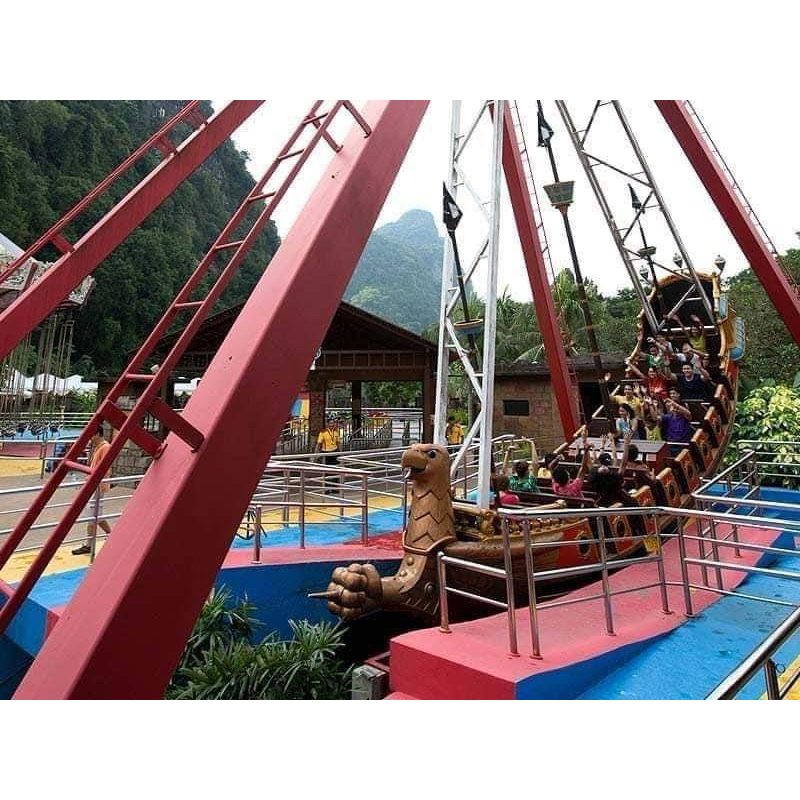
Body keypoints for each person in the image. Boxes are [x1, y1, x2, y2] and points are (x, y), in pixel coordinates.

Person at [72, 425, 112, 556]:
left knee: (93, 515)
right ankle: (109, 535)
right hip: (94, 484)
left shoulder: (105, 447)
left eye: (92, 435)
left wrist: (96, 482)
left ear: (98, 434)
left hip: (98, 485)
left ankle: (90, 544)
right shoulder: (99, 447)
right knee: (95, 515)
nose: (90, 438)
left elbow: (105, 468)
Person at [552, 429, 591, 498]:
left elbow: (551, 470)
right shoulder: (574, 487)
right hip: (579, 504)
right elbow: (583, 468)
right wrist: (586, 449)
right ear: (568, 477)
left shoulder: (556, 488)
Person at [660, 389, 694, 454]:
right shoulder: (668, 417)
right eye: (673, 407)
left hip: (684, 446)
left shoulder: (685, 417)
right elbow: (657, 418)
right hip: (671, 445)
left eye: (676, 407)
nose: (674, 409)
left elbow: (688, 413)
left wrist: (673, 403)